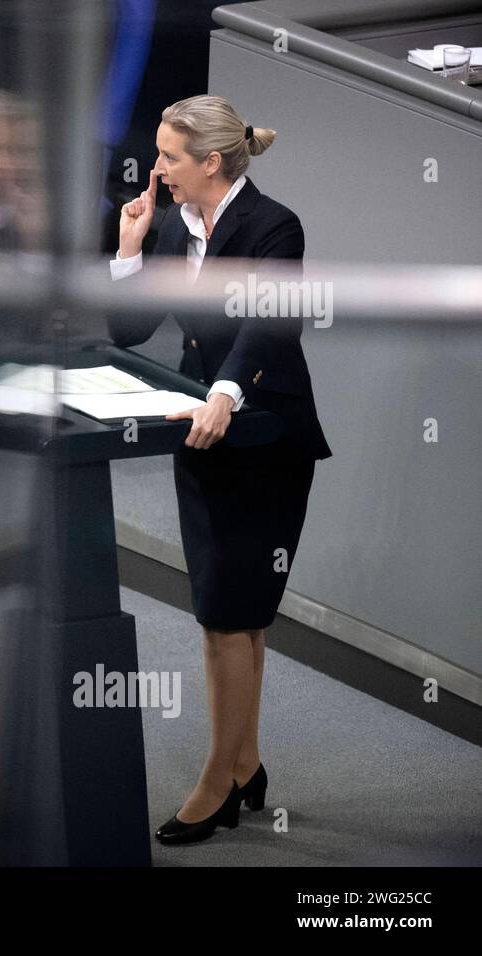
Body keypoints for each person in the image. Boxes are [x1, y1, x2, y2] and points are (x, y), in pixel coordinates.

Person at [109, 94, 333, 845]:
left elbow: (274, 324)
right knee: (224, 618)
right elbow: (130, 326)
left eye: (170, 156)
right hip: (203, 439)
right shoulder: (170, 225)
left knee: (234, 615)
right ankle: (245, 763)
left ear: (211, 161)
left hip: (267, 438)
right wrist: (130, 250)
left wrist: (227, 392)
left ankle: (217, 780)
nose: (158, 169)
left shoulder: (274, 225)